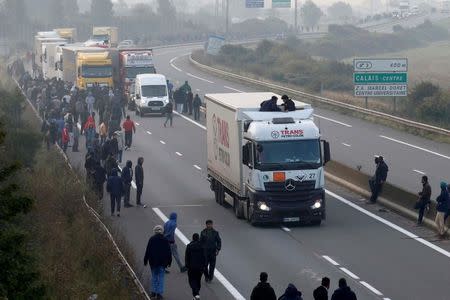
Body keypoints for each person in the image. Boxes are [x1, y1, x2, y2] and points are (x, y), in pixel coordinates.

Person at [144, 225, 172, 300]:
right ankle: (159, 293)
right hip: (162, 262)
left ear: (155, 231)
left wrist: (145, 260)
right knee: (161, 277)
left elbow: (148, 250)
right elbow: (168, 252)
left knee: (154, 277)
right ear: (162, 231)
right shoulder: (165, 240)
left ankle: (153, 292)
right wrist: (169, 261)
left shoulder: (152, 239)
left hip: (153, 262)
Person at [185, 233, 207, 300]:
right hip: (200, 267)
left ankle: (196, 294)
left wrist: (187, 265)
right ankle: (196, 295)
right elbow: (204, 257)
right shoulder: (202, 246)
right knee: (198, 280)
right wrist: (204, 266)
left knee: (191, 280)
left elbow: (187, 257)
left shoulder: (189, 246)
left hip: (191, 267)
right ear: (198, 238)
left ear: (192, 238)